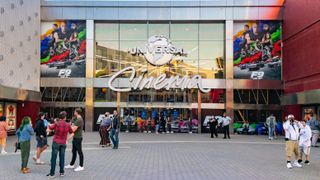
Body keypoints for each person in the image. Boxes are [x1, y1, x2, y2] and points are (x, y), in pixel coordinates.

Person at [47, 111, 74, 178]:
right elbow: (72, 133)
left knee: (53, 158)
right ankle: (62, 172)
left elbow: (49, 129)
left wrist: (50, 128)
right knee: (62, 158)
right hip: (63, 143)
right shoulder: (68, 125)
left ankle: (52, 173)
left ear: (60, 117)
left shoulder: (57, 123)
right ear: (65, 117)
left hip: (56, 142)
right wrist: (67, 139)